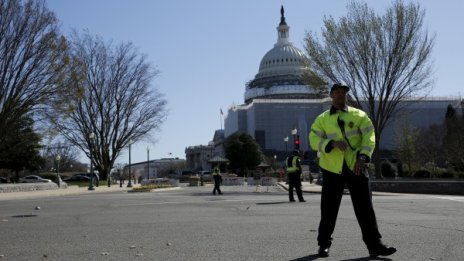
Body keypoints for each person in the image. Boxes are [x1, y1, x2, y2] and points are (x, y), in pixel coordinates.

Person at [309, 83, 396, 258]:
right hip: (332, 169)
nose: (341, 95)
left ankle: (375, 245)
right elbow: (313, 138)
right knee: (328, 210)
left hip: (356, 166)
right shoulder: (322, 118)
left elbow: (369, 137)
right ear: (331, 95)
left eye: (344, 92)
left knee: (365, 209)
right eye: (338, 92)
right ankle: (323, 245)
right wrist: (330, 143)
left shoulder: (359, 115)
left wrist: (363, 157)